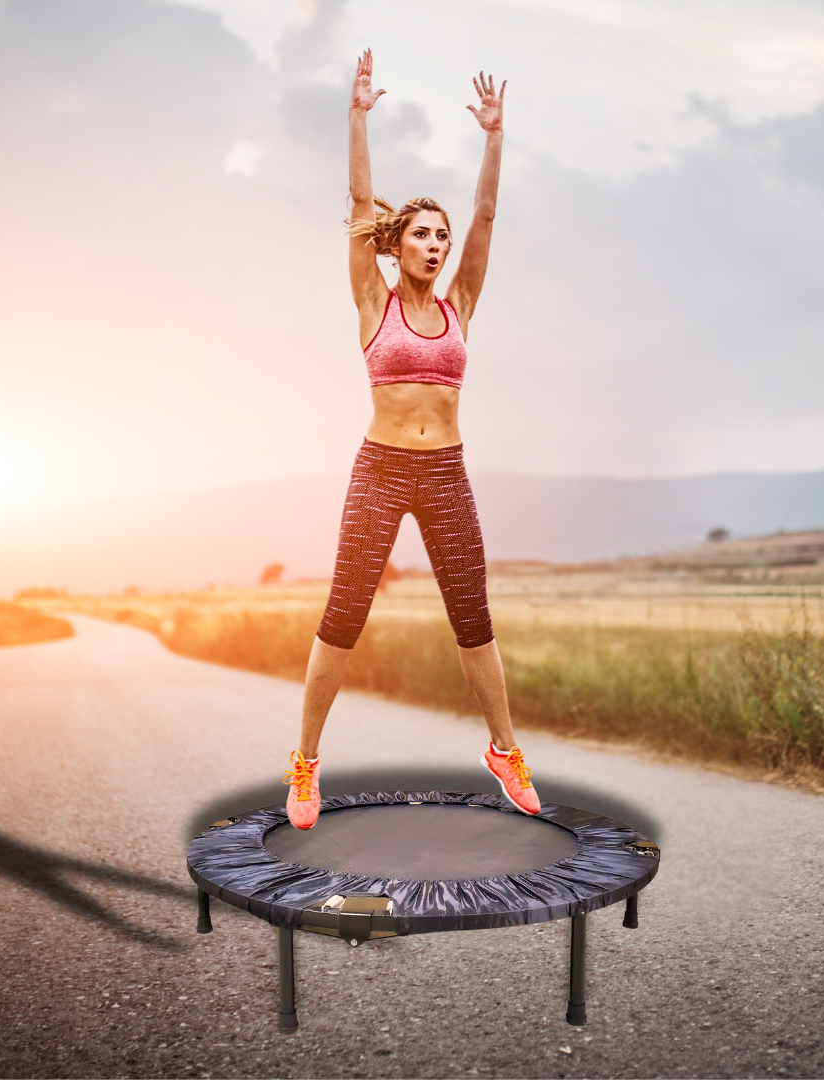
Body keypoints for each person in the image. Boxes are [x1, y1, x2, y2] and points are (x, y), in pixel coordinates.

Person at [283, 50, 540, 829]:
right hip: (382, 470)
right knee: (345, 613)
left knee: (474, 616)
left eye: (442, 235)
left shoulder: (462, 300)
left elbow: (489, 217)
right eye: (423, 234)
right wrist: (356, 116)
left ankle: (504, 749)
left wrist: (496, 136)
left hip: (446, 472)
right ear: (398, 246)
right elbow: (361, 200)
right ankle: (304, 763)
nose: (436, 243)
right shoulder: (373, 301)